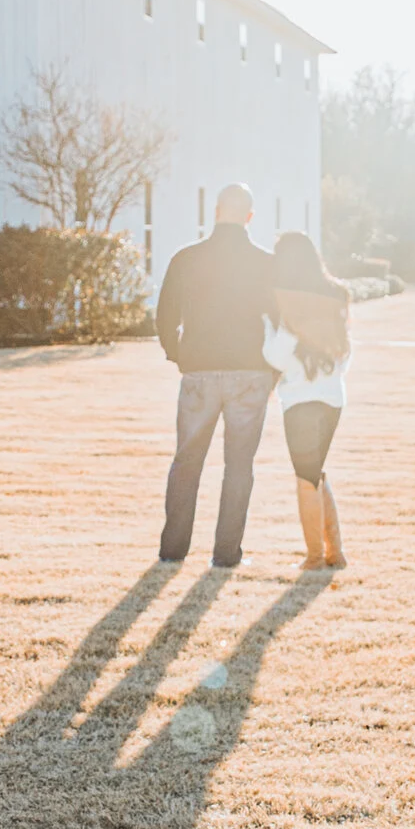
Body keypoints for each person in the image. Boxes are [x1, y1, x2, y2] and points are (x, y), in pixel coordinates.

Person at [154, 182, 275, 568]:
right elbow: (281, 321)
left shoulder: (186, 258)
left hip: (199, 370)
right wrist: (273, 369)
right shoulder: (266, 263)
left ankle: (173, 550)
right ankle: (226, 554)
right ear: (250, 217)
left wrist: (178, 354)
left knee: (187, 461)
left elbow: (165, 315)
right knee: (239, 466)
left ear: (216, 211)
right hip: (251, 372)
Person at [263, 231, 351, 572]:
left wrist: (268, 327)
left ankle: (315, 557)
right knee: (315, 473)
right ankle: (335, 553)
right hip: (333, 398)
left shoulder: (287, 303)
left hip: (300, 401)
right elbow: (345, 352)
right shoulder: (335, 295)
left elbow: (276, 357)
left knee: (305, 477)